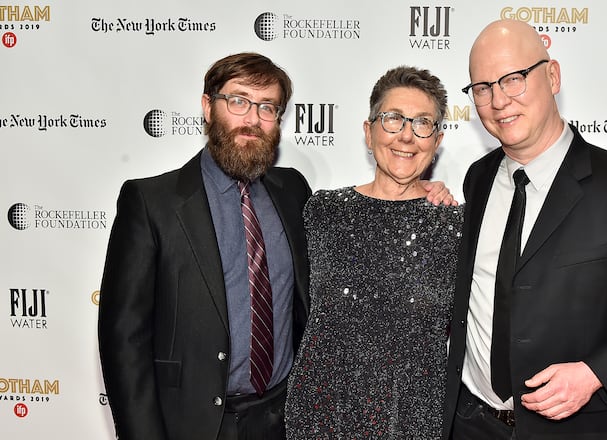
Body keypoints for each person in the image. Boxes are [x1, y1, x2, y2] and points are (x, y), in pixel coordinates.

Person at [98, 52, 453, 440]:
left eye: (267, 107)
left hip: (285, 418)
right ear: (207, 107)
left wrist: (428, 194)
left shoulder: (294, 193)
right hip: (193, 423)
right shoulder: (152, 202)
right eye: (239, 101)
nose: (252, 119)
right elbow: (123, 340)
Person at [442, 19, 607, 440]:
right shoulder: (479, 178)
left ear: (552, 75)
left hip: (584, 429)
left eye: (513, 79)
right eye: (483, 88)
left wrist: (595, 374)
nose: (499, 100)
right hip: (470, 424)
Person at [285, 66, 463, 439]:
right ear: (369, 131)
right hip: (321, 419)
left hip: (415, 421)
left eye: (422, 123)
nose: (406, 136)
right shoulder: (323, 212)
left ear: (437, 140)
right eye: (393, 119)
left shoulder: (456, 226)